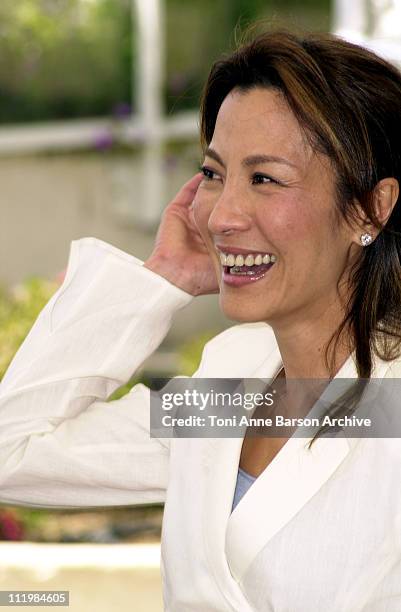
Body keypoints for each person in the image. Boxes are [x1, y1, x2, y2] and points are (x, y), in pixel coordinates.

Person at [0, 28, 401, 611]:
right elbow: (13, 453)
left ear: (370, 207)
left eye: (264, 178)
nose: (220, 216)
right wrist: (161, 276)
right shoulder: (229, 386)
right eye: (214, 174)